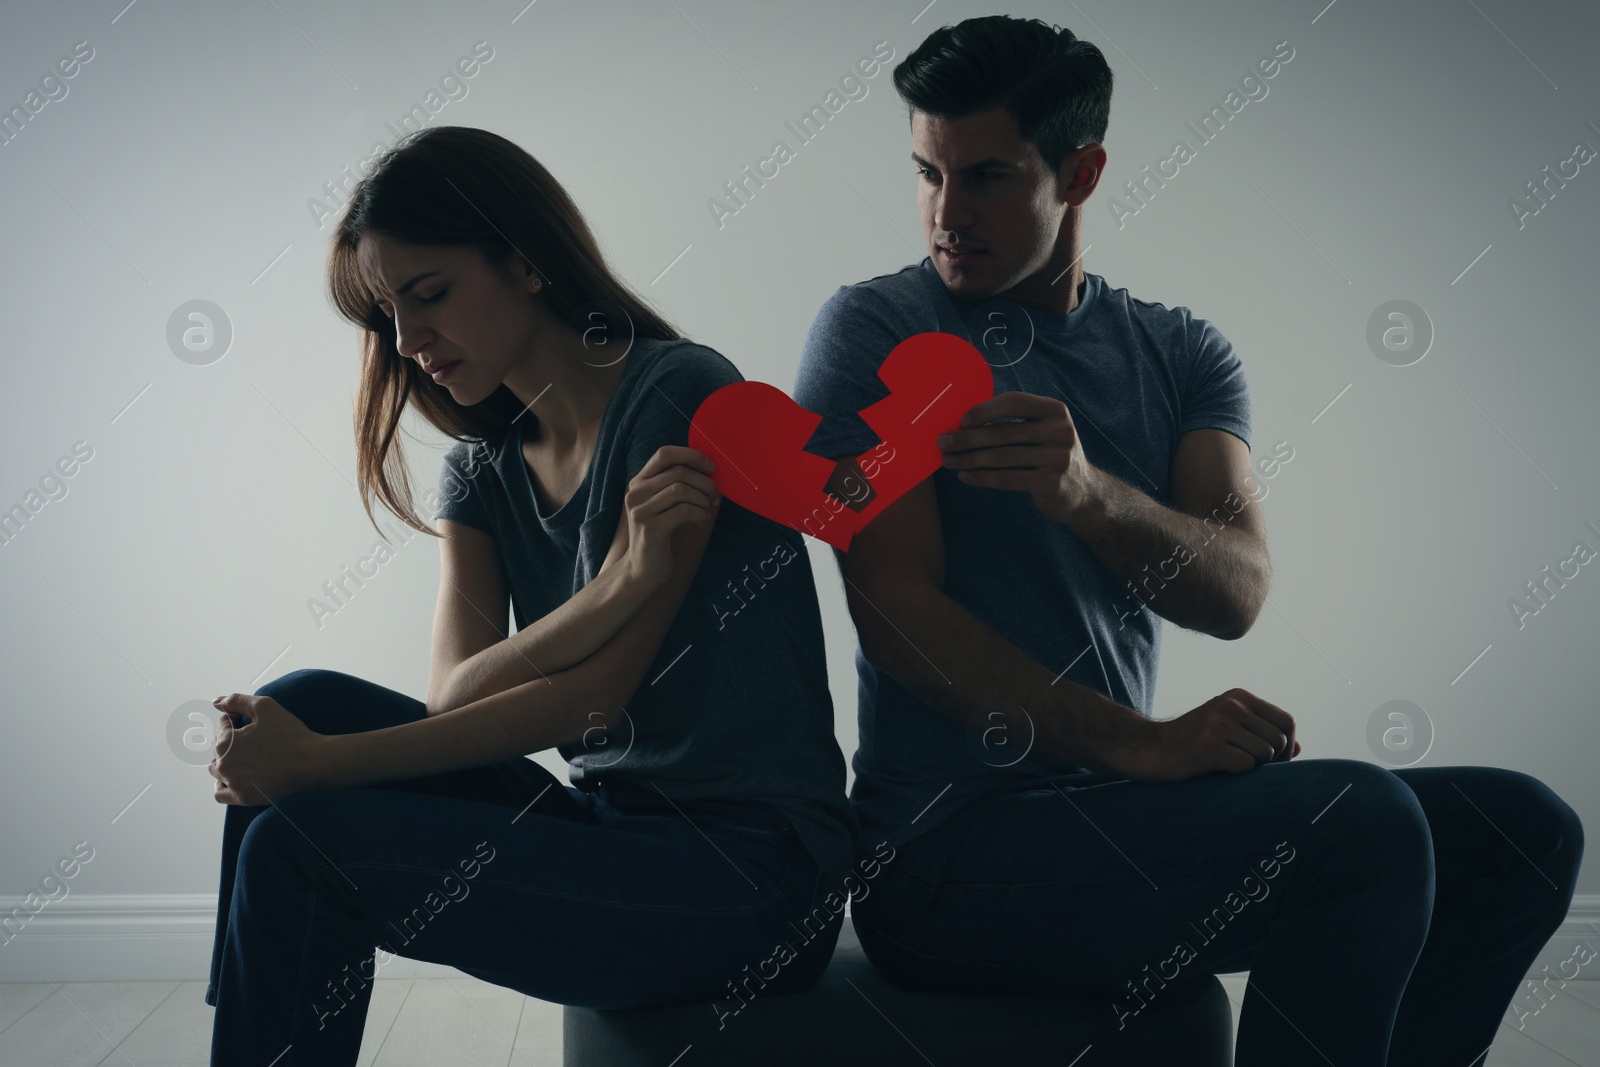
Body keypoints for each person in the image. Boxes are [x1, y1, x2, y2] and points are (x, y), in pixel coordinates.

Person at [791, 15, 1583, 1065]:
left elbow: (1236, 589)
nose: (946, 214)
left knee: (1522, 831)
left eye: (983, 177)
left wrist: (1087, 495)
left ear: (1081, 171)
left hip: (1114, 821)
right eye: (926, 175)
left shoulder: (1181, 352)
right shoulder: (876, 330)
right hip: (945, 857)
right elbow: (897, 613)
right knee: (1361, 825)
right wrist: (1142, 743)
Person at [203, 125, 860, 1065]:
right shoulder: (482, 469)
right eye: (388, 314)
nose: (407, 341)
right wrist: (618, 584)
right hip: (613, 828)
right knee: (299, 699)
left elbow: (595, 699)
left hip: (751, 873)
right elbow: (454, 695)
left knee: (297, 838)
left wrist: (312, 769)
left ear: (525, 262)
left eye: (428, 295)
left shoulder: (676, 394)